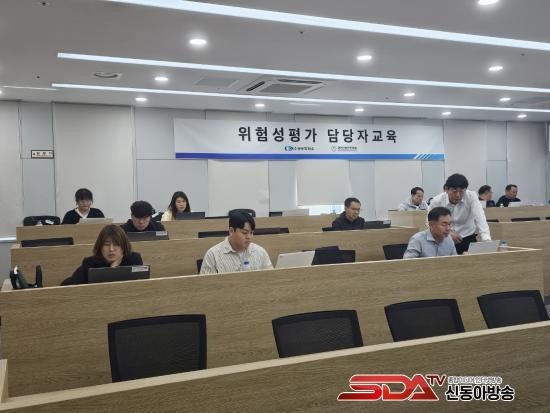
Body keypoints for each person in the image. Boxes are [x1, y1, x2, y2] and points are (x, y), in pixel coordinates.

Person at [429, 173, 491, 254]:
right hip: (444, 238)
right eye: (454, 191)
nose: (458, 195)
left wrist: (486, 238)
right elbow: (430, 223)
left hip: (468, 237)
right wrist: (448, 234)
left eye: (461, 191)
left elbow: (480, 217)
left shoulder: (471, 196)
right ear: (446, 189)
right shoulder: (437, 201)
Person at [61, 224, 143, 285]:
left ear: (123, 246)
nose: (111, 249)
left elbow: (141, 286)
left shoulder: (134, 259)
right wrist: (110, 271)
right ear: (100, 246)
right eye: (106, 244)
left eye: (116, 244)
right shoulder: (90, 263)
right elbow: (66, 286)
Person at [200, 212, 272, 274]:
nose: (249, 237)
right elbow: (205, 284)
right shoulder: (212, 255)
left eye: (251, 233)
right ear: (231, 231)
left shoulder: (260, 252)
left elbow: (270, 279)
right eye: (244, 232)